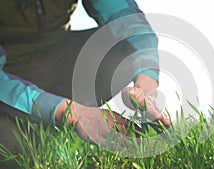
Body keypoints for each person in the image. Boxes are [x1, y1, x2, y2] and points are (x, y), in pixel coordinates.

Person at [0, 0, 170, 166]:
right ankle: (38, 125)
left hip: (59, 59)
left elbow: (124, 17)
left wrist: (145, 84)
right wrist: (70, 113)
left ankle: (58, 127)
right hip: (8, 74)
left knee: (120, 52)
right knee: (12, 149)